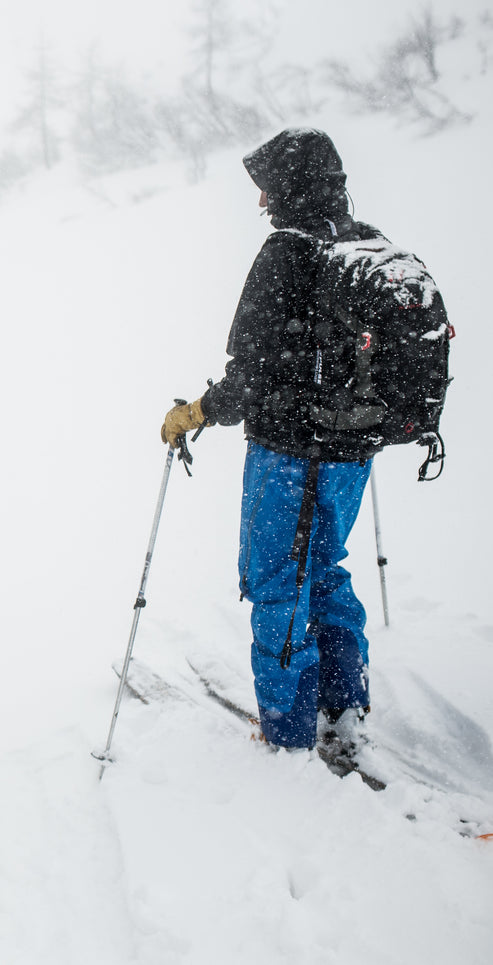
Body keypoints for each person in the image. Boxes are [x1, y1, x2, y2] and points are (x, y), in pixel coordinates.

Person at [160, 128, 382, 756]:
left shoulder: (287, 252)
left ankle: (287, 731)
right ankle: (344, 702)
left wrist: (196, 413)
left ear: (289, 185)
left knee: (278, 580)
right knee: (323, 567)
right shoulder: (365, 243)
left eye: (266, 187)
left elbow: (251, 374)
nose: (260, 201)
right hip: (353, 451)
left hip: (289, 452)